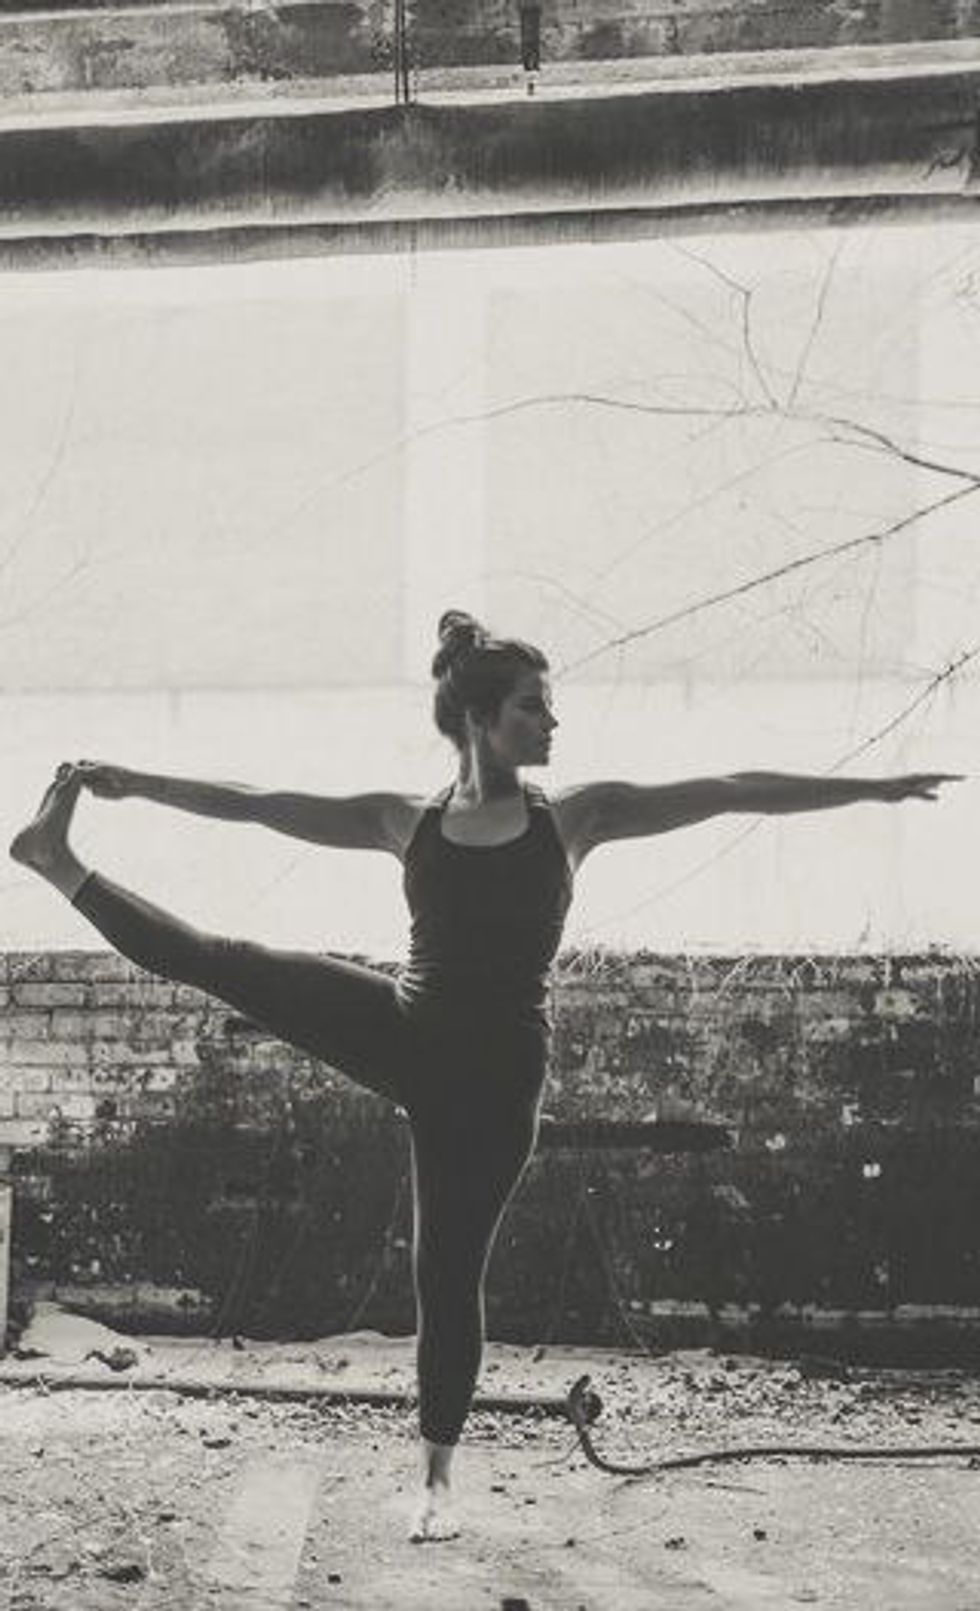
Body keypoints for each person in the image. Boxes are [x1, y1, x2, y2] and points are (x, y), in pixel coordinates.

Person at [9, 609, 962, 1541]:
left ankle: (436, 1479)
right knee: (229, 959)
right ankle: (57, 860)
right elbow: (258, 801)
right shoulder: (404, 819)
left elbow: (730, 788)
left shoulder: (577, 816)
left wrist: (873, 789)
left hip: (497, 1078)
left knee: (446, 1272)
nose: (552, 722)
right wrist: (138, 781)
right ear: (480, 717)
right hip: (407, 1027)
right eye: (533, 705)